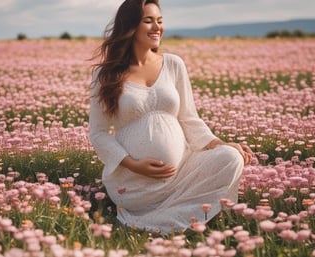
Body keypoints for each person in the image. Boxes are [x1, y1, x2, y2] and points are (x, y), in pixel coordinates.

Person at [89, 0, 253, 234]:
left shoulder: (173, 64)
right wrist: (133, 164)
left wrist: (220, 143)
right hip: (133, 182)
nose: (157, 27)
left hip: (181, 173)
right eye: (148, 21)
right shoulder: (105, 74)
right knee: (228, 159)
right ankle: (164, 218)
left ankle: (163, 220)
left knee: (231, 157)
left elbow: (189, 117)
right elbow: (98, 133)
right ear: (130, 26)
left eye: (160, 21)